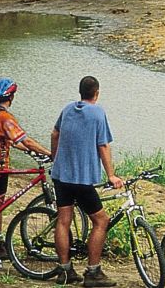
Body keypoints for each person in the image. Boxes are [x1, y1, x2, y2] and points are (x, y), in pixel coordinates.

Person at [49, 76, 123, 287]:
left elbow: (55, 134)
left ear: (81, 92)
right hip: (81, 180)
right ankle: (93, 272)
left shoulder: (68, 109)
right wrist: (111, 175)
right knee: (101, 221)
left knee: (63, 220)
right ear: (96, 93)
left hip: (61, 176)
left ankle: (64, 271)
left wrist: (56, 160)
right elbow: (103, 146)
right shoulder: (98, 113)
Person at [0, 77, 54, 259]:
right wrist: (49, 153)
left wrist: (29, 151)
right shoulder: (4, 117)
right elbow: (24, 139)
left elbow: (10, 140)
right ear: (11, 97)